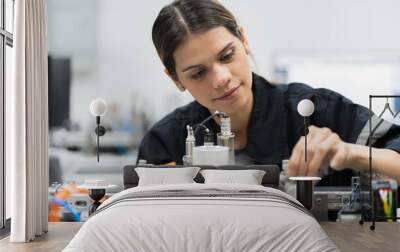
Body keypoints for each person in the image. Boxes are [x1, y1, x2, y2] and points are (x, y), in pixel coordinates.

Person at [137, 0, 400, 186]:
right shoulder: (163, 142)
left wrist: (350, 153)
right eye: (198, 73)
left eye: (227, 55)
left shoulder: (318, 111)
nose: (221, 78)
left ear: (244, 40)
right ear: (175, 79)